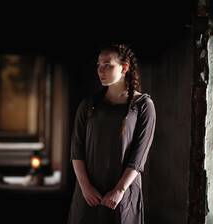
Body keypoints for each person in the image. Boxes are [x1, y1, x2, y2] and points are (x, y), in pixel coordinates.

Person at [67, 42, 156, 224]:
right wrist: (85, 186)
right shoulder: (89, 104)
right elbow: (77, 149)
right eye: (99, 65)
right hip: (89, 193)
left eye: (107, 65)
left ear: (124, 68)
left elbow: (139, 157)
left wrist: (120, 190)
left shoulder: (143, 106)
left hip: (122, 192)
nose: (101, 70)